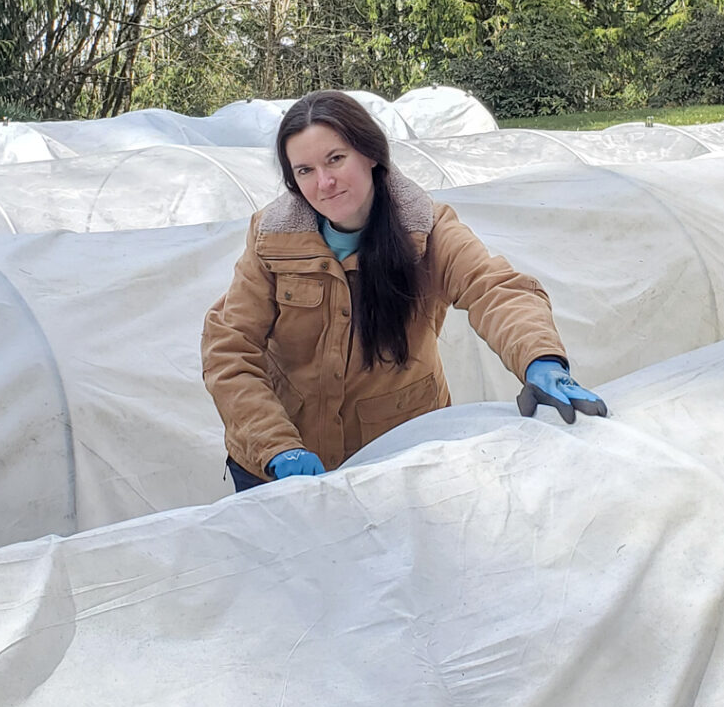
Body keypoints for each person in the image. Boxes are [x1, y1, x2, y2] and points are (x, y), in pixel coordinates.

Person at [202, 90, 606, 491]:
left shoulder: (426, 228)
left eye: (335, 159)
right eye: (304, 170)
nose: (324, 182)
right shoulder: (272, 238)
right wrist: (276, 448)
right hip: (277, 468)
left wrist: (541, 360)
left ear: (370, 154)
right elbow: (229, 346)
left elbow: (494, 288)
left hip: (394, 461)